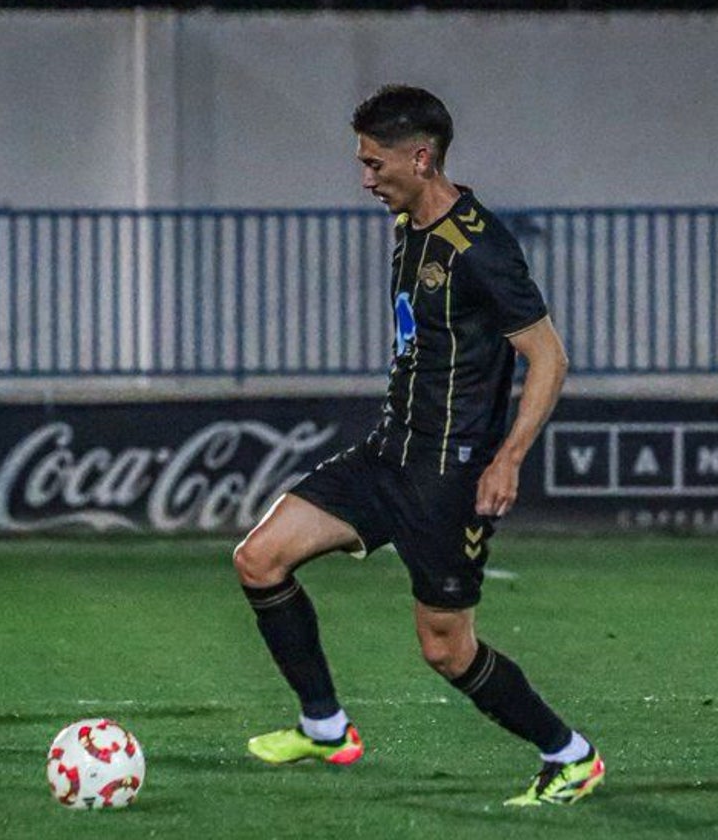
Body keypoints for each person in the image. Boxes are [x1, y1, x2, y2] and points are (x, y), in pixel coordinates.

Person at [234, 86, 604, 806]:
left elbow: (549, 357)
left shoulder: (481, 249)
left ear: (421, 156)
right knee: (259, 558)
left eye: (375, 164)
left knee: (446, 649)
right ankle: (325, 726)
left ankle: (571, 755)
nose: (366, 178)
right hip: (387, 454)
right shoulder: (412, 226)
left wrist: (508, 458)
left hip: (446, 478)